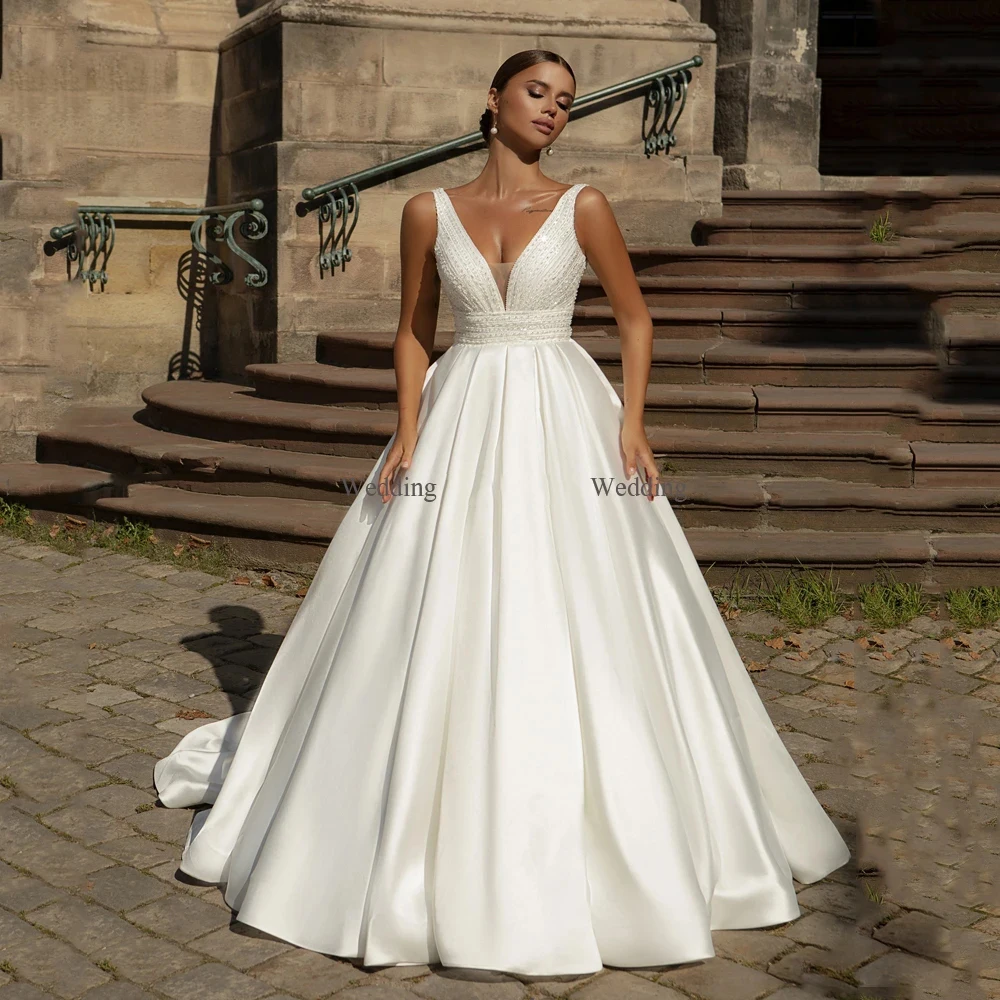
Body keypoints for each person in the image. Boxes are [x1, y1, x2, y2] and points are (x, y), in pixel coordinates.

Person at [154, 48, 850, 977]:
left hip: (566, 415)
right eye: (537, 92)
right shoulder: (425, 211)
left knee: (590, 611)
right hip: (461, 413)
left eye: (566, 100)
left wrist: (635, 422)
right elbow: (413, 330)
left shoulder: (585, 206)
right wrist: (406, 434)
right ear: (493, 99)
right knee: (433, 607)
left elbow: (636, 320)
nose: (553, 111)